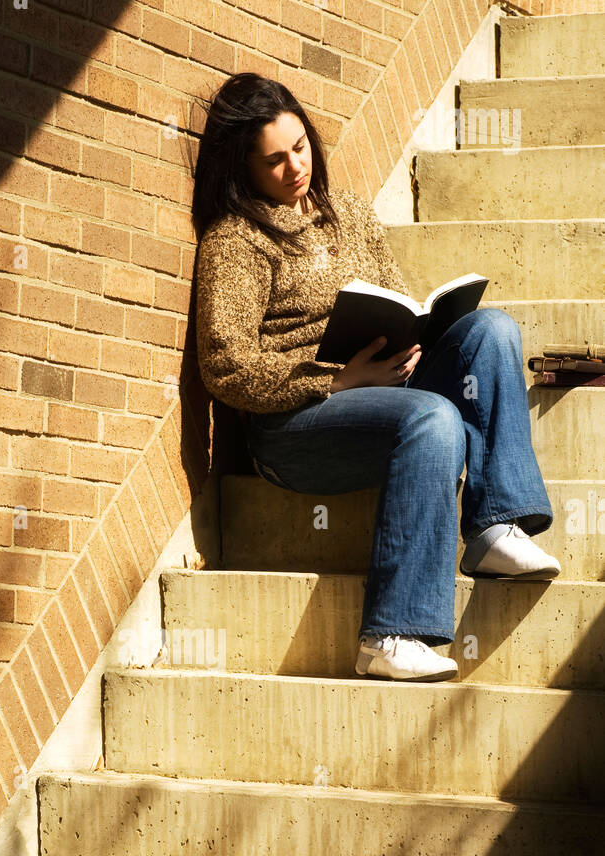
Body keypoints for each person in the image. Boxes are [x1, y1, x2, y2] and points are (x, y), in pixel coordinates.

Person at [192, 73, 559, 681]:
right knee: (434, 418)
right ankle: (389, 636)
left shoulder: (352, 215)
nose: (295, 167)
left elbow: (391, 296)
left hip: (384, 390)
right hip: (295, 427)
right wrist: (335, 381)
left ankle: (495, 526)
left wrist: (415, 341)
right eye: (274, 160)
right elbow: (226, 367)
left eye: (301, 146)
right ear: (243, 169)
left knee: (490, 330)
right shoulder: (236, 242)